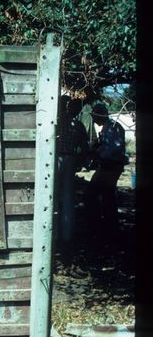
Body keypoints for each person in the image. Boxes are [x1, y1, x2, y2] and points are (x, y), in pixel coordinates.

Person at [84, 102, 128, 242]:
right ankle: (109, 227)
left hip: (111, 166)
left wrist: (96, 152)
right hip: (111, 165)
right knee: (107, 196)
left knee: (92, 194)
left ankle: (102, 228)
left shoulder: (111, 128)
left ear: (99, 116)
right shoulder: (109, 127)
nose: (94, 120)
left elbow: (112, 151)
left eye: (95, 117)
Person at [56, 96, 89, 266]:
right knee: (68, 200)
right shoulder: (78, 125)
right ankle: (66, 237)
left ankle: (54, 236)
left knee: (54, 199)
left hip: (54, 160)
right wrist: (79, 163)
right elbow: (84, 148)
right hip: (69, 160)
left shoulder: (54, 123)